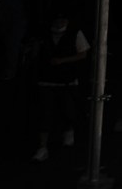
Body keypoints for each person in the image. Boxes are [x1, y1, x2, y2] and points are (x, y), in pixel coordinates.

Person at [31, 13, 89, 161]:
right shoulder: (43, 35)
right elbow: (36, 54)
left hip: (67, 80)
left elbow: (83, 54)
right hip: (46, 79)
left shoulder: (74, 32)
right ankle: (43, 147)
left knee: (68, 109)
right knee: (44, 113)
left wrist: (62, 61)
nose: (58, 24)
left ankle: (69, 130)